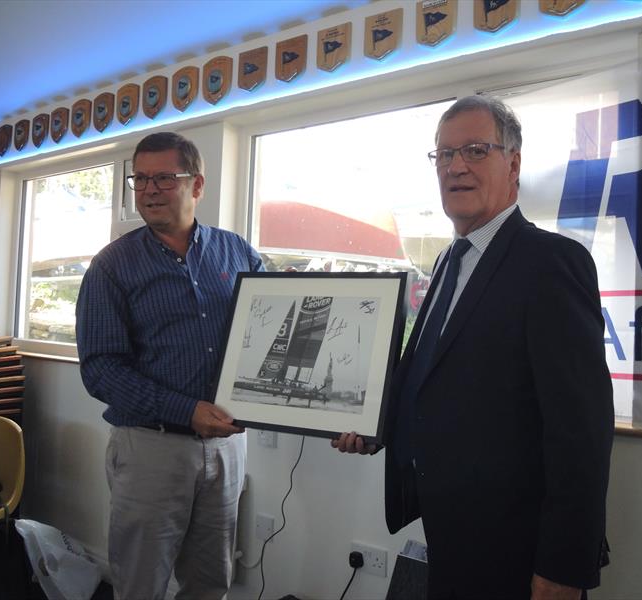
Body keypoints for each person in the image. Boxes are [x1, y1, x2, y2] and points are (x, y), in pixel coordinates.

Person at [333, 96, 614, 599]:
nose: (456, 166)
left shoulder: (552, 263)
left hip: (518, 548)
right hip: (450, 529)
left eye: (476, 150)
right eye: (444, 154)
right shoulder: (446, 263)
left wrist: (563, 568)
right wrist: (376, 426)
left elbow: (582, 432)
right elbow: (430, 375)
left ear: (515, 163)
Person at [76, 132, 263, 599]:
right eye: (140, 179)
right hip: (149, 451)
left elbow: (275, 325)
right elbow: (101, 369)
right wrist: (186, 410)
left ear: (196, 185)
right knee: (141, 583)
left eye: (163, 177)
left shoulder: (237, 252)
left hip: (226, 449)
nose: (149, 189)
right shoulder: (112, 266)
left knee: (210, 582)